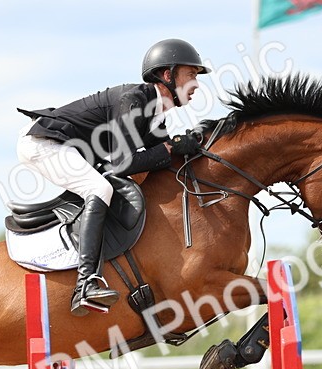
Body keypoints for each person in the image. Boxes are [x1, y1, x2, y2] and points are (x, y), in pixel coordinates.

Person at [17, 39, 210, 315]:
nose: (197, 85)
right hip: (43, 142)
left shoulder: (154, 116)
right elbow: (124, 163)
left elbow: (163, 157)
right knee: (100, 188)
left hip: (69, 148)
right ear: (167, 75)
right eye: (191, 75)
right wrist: (169, 147)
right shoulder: (133, 99)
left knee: (103, 185)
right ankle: (85, 284)